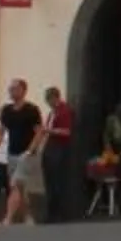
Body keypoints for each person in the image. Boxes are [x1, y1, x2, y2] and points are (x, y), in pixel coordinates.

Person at [0, 78, 46, 225]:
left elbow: (39, 132)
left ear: (23, 90)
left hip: (26, 154)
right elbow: (1, 132)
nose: (11, 91)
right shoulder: (6, 110)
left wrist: (30, 150)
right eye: (10, 88)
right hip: (12, 153)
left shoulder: (32, 110)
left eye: (15, 88)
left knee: (15, 184)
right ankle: (28, 215)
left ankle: (8, 218)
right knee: (19, 188)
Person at [42, 85, 77, 223]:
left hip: (60, 148)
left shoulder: (64, 111)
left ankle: (60, 213)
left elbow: (66, 131)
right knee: (50, 181)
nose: (48, 103)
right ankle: (52, 212)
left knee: (58, 181)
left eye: (49, 100)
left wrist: (49, 130)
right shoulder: (52, 113)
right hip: (50, 147)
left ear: (55, 98)